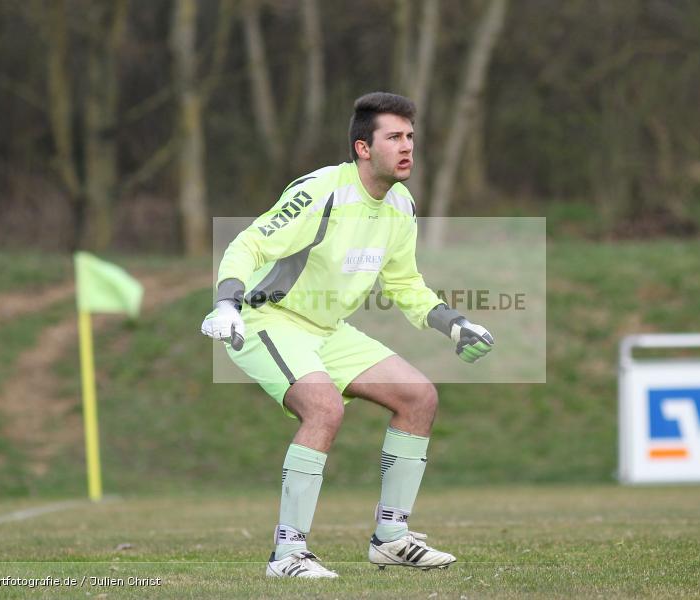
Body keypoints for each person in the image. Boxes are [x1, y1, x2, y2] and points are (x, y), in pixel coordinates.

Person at [201, 92, 494, 578]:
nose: (407, 148)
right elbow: (249, 242)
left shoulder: (400, 204)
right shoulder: (321, 191)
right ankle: (287, 555)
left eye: (411, 138)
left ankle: (392, 540)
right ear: (363, 147)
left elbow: (404, 284)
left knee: (418, 397)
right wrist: (226, 301)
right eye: (394, 138)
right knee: (324, 407)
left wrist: (455, 323)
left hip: (327, 329)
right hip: (267, 320)